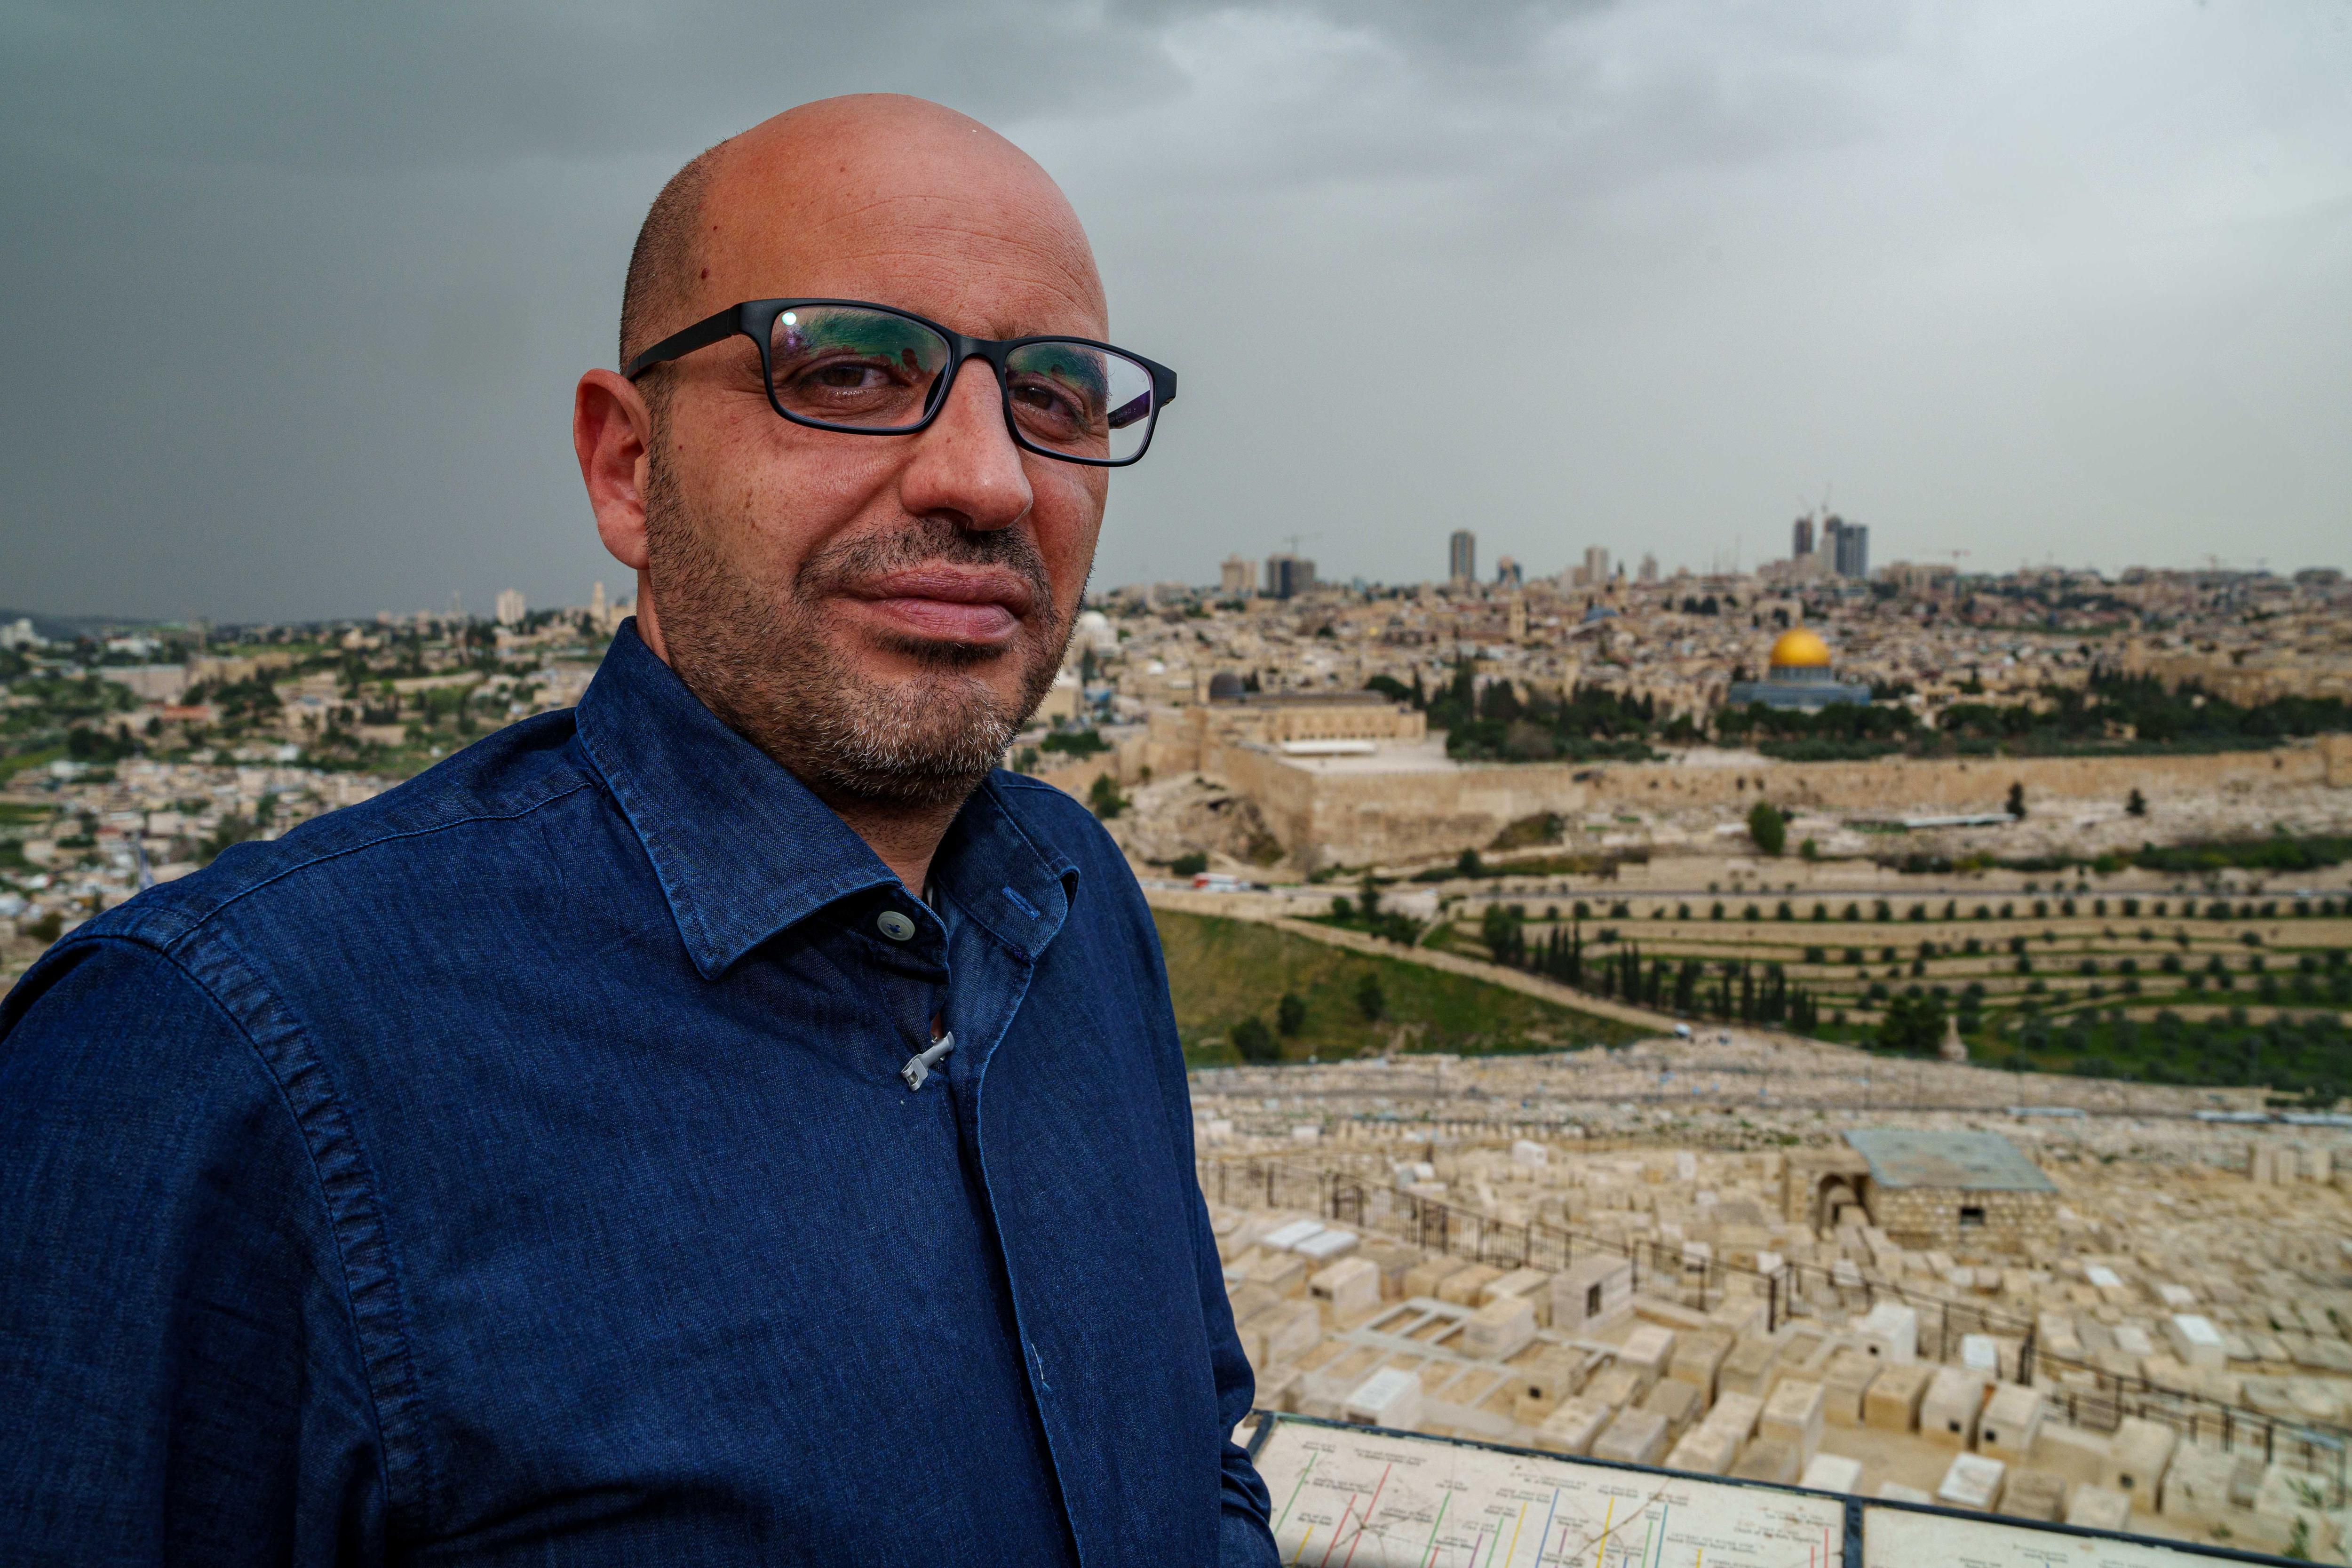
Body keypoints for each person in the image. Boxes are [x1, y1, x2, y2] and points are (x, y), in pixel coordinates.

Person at [0, 96, 1277, 1566]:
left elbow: (1198, 1456)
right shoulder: (219, 1060)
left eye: (1052, 398)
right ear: (628, 467)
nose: (987, 480)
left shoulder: (1077, 902)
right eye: (851, 370)